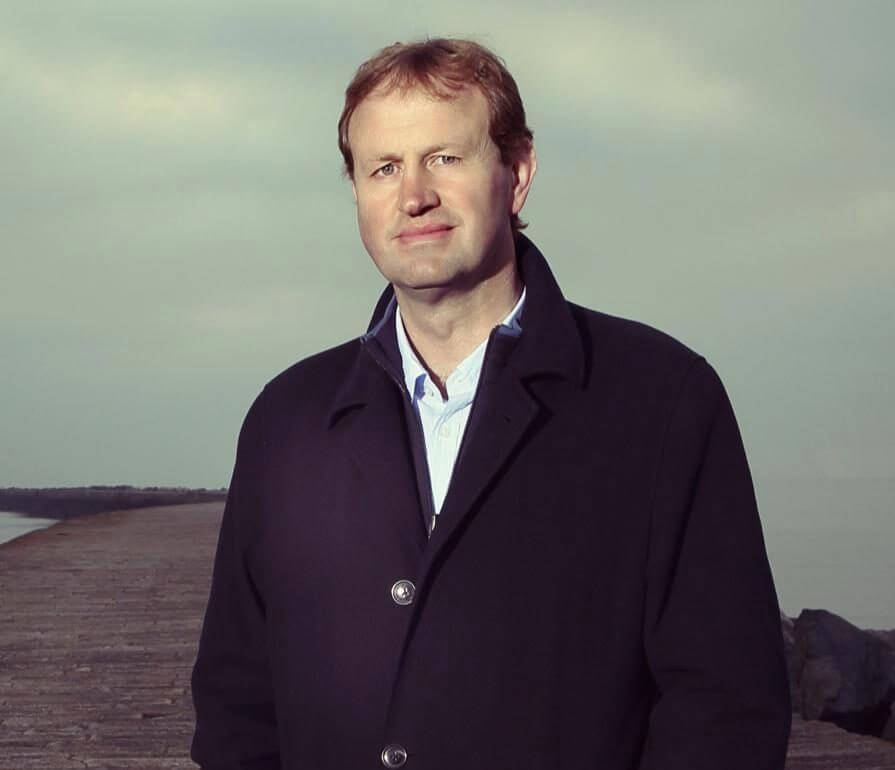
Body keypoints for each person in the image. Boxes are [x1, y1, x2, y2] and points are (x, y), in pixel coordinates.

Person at [191, 38, 791, 770]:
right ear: (356, 192)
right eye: (383, 168)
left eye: (444, 157)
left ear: (518, 172)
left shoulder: (663, 399)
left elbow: (725, 703)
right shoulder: (285, 420)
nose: (413, 195)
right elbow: (236, 699)